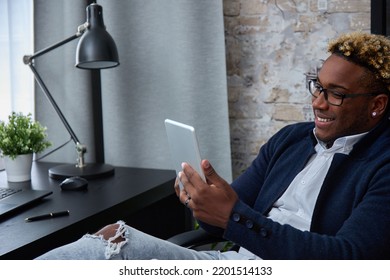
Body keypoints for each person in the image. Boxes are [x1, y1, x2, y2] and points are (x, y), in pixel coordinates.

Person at [37, 31, 390, 260]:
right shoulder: (293, 140)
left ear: (376, 105)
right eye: (318, 86)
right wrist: (202, 200)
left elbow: (348, 259)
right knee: (113, 238)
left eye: (337, 95)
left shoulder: (382, 165)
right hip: (235, 264)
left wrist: (233, 216)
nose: (318, 102)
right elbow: (219, 224)